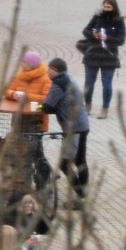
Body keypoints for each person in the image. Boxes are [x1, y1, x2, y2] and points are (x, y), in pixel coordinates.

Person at [43, 57, 90, 196]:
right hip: (83, 124)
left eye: (49, 69)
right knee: (80, 160)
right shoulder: (68, 78)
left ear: (55, 70)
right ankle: (83, 192)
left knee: (65, 163)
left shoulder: (58, 83)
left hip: (73, 129)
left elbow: (47, 106)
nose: (47, 72)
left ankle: (80, 193)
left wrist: (40, 106)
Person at [78, 0, 125, 118]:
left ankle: (105, 109)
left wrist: (107, 38)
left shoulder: (119, 21)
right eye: (104, 6)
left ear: (114, 7)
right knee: (89, 82)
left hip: (109, 57)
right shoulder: (97, 17)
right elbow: (86, 31)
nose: (106, 9)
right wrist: (94, 34)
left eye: (109, 7)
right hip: (93, 54)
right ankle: (87, 105)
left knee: (107, 83)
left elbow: (121, 40)